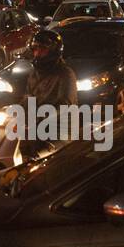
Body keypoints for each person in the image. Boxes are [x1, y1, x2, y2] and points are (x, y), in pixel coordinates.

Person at [20, 29, 78, 160]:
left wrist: (44, 116)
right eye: (35, 49)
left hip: (60, 130)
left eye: (42, 49)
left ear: (53, 51)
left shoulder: (66, 74)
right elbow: (28, 98)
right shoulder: (34, 74)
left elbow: (66, 104)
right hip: (37, 129)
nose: (37, 53)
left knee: (40, 160)